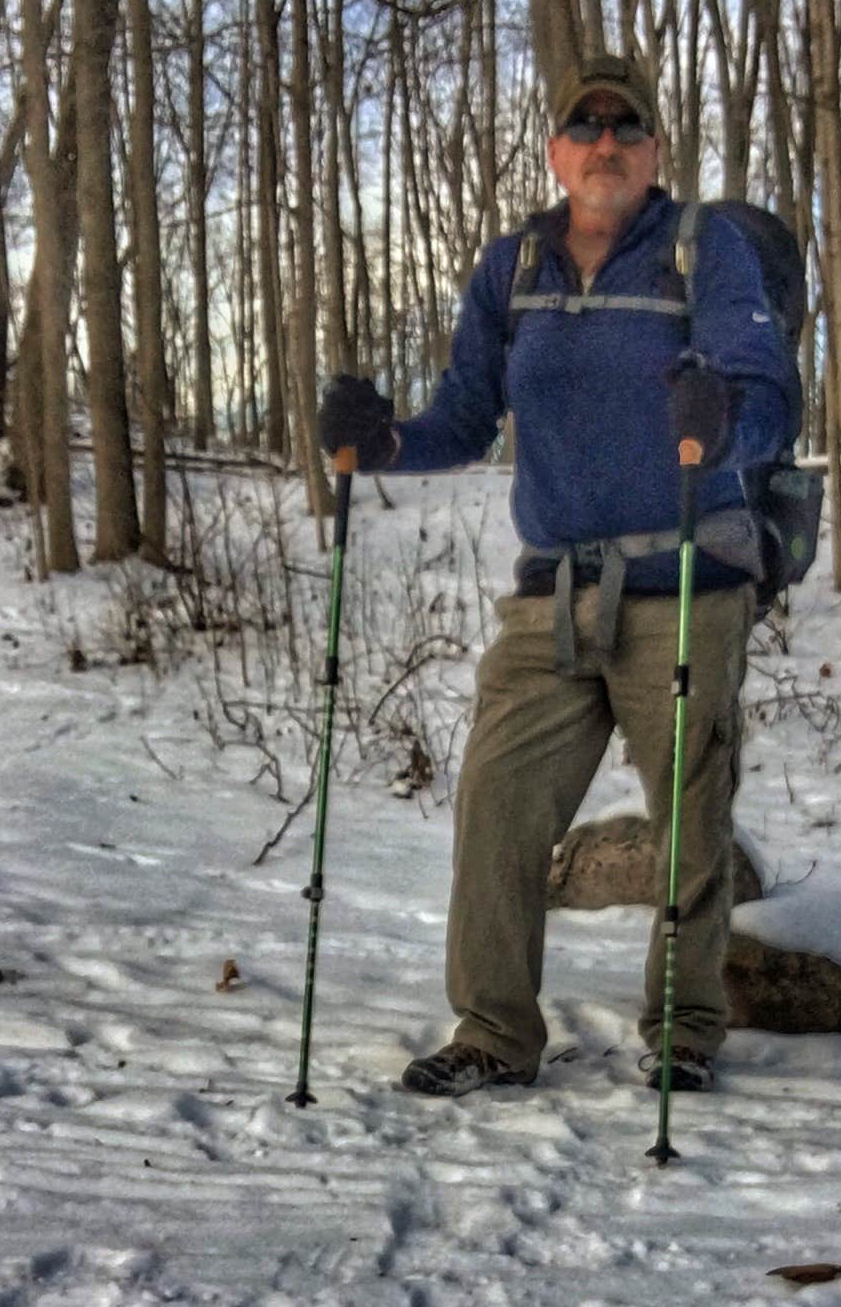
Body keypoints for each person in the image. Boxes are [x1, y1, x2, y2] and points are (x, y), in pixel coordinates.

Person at [318, 53, 800, 1099]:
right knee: (497, 800)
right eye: (586, 128)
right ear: (556, 151)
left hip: (685, 581)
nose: (606, 145)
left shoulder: (699, 249)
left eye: (627, 129)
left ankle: (683, 1027)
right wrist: (378, 441)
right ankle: (494, 1028)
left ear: (655, 151)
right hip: (552, 592)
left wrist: (723, 424)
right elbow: (463, 415)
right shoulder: (514, 267)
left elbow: (766, 392)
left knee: (691, 809)